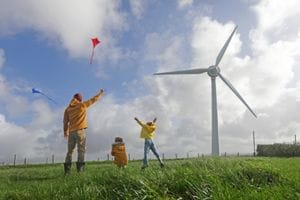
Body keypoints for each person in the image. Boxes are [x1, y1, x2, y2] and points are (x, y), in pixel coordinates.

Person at [63, 89, 104, 174]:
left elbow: (65, 122)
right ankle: (80, 171)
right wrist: (100, 93)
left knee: (70, 152)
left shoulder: (67, 109)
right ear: (80, 99)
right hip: (80, 131)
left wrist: (65, 132)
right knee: (81, 151)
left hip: (71, 132)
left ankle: (67, 172)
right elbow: (93, 99)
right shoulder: (82, 105)